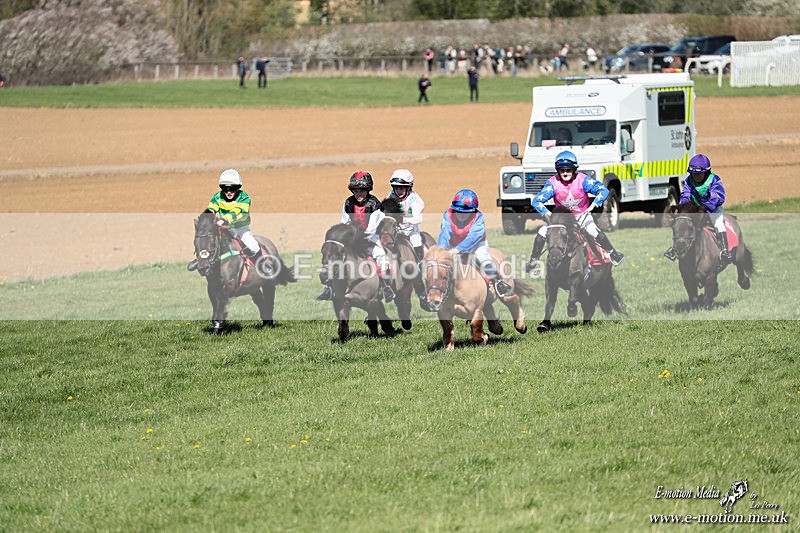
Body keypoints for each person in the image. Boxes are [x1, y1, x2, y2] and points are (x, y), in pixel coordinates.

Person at [525, 151, 624, 271]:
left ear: (574, 170)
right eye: (562, 170)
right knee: (542, 231)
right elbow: (536, 201)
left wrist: (592, 206)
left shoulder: (583, 180)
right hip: (561, 219)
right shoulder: (552, 183)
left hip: (581, 215)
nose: (565, 173)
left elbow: (603, 190)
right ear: (558, 171)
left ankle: (613, 253)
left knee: (592, 230)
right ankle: (534, 260)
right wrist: (549, 214)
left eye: (568, 170)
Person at [316, 172, 395, 302]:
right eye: (355, 191)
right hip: (351, 239)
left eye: (362, 191)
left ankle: (386, 287)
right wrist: (345, 238)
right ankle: (329, 287)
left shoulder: (374, 204)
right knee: (335, 257)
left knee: (381, 256)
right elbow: (344, 223)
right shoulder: (348, 203)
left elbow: (371, 230)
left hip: (370, 238)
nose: (358, 194)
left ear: (368, 190)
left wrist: (357, 240)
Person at [187, 169, 268, 272]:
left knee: (254, 247)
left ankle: (263, 266)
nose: (229, 191)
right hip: (223, 229)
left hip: (241, 229)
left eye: (232, 188)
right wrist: (205, 218)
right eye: (225, 188)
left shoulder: (244, 198)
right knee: (208, 241)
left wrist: (224, 219)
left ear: (238, 187)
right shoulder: (217, 197)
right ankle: (202, 259)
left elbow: (238, 211)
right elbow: (211, 208)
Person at [438, 189, 513, 298]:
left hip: (476, 245)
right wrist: (441, 249)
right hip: (453, 244)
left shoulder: (478, 217)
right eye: (458, 211)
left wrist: (456, 250)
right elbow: (445, 232)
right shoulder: (448, 214)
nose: (461, 215)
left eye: (465, 212)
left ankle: (498, 282)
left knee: (482, 258)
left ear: (473, 211)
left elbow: (473, 238)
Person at [664, 154, 731, 264]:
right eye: (693, 173)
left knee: (718, 224)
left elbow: (717, 197)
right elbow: (685, 195)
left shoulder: (714, 180)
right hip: (695, 209)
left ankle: (724, 250)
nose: (696, 176)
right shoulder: (689, 181)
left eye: (699, 173)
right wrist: (681, 208)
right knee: (681, 224)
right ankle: (675, 249)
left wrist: (704, 207)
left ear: (706, 172)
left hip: (713, 208)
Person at [387, 169, 430, 310]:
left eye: (402, 188)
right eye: (396, 188)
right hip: (395, 231)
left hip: (410, 231)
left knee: (416, 240)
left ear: (409, 187)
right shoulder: (390, 196)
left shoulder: (415, 199)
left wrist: (403, 219)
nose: (399, 191)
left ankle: (419, 263)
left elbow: (418, 218)